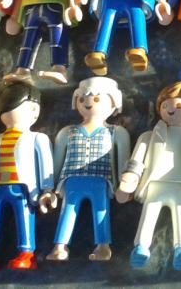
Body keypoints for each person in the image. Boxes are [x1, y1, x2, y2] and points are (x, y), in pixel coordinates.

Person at [116, 82, 181, 271]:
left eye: (179, 105)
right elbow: (136, 160)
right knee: (149, 212)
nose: (170, 109)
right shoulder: (149, 136)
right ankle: (141, 247)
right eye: (165, 105)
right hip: (154, 182)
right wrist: (130, 178)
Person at [47, 77, 130, 262]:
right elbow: (56, 162)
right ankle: (59, 246)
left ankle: (103, 246)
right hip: (71, 179)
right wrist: (49, 187)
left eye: (97, 99)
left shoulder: (116, 132)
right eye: (82, 99)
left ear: (114, 103)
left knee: (101, 210)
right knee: (67, 210)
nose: (88, 103)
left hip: (101, 179)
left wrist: (123, 185)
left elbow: (124, 160)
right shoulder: (67, 131)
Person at [0, 83, 55, 271]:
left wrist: (47, 189)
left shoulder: (37, 138)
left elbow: (46, 164)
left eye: (36, 108)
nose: (34, 112)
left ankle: (26, 253)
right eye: (28, 107)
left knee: (24, 217)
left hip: (22, 189)